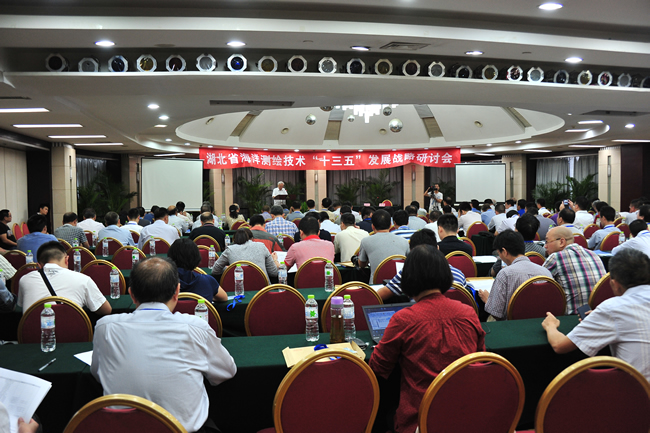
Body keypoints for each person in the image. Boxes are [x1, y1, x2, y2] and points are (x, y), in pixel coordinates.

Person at [91, 257, 236, 433]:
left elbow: (98, 374)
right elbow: (227, 371)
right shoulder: (196, 327)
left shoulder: (105, 328)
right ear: (177, 292)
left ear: (131, 294)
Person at [369, 244, 485, 433]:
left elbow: (378, 367)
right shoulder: (468, 313)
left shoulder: (403, 319)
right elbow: (480, 359)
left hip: (419, 419)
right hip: (465, 413)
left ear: (408, 279)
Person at [541, 249, 650, 382]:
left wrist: (550, 326)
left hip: (637, 391)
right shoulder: (612, 310)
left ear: (614, 284)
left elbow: (559, 345)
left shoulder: (613, 308)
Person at [17, 241, 111, 315]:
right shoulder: (83, 279)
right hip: (72, 332)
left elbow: (21, 306)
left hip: (33, 333)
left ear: (39, 266)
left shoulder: (24, 280)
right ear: (67, 260)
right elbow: (106, 310)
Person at [377, 229, 472, 301]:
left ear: (412, 252)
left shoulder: (408, 273)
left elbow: (378, 296)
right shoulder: (459, 274)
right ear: (438, 248)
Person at [479, 230, 552, 320]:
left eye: (499, 253)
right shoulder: (546, 272)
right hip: (543, 322)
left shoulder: (505, 274)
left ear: (505, 252)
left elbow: (496, 314)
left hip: (512, 324)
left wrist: (487, 300)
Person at [543, 226, 606, 314]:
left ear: (561, 242)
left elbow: (538, 285)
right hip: (597, 314)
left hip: (572, 316)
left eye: (547, 241)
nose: (545, 246)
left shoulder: (556, 257)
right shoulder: (593, 254)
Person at [358, 210, 410, 283]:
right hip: (399, 284)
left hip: (376, 285)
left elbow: (361, 264)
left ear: (372, 226)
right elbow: (408, 263)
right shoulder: (404, 241)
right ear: (390, 225)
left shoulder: (365, 241)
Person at [212, 228, 279, 281]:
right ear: (252, 239)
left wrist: (229, 269)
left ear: (234, 240)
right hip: (263, 289)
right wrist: (275, 259)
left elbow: (215, 270)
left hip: (236, 289)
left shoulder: (230, 250)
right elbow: (273, 272)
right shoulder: (262, 246)